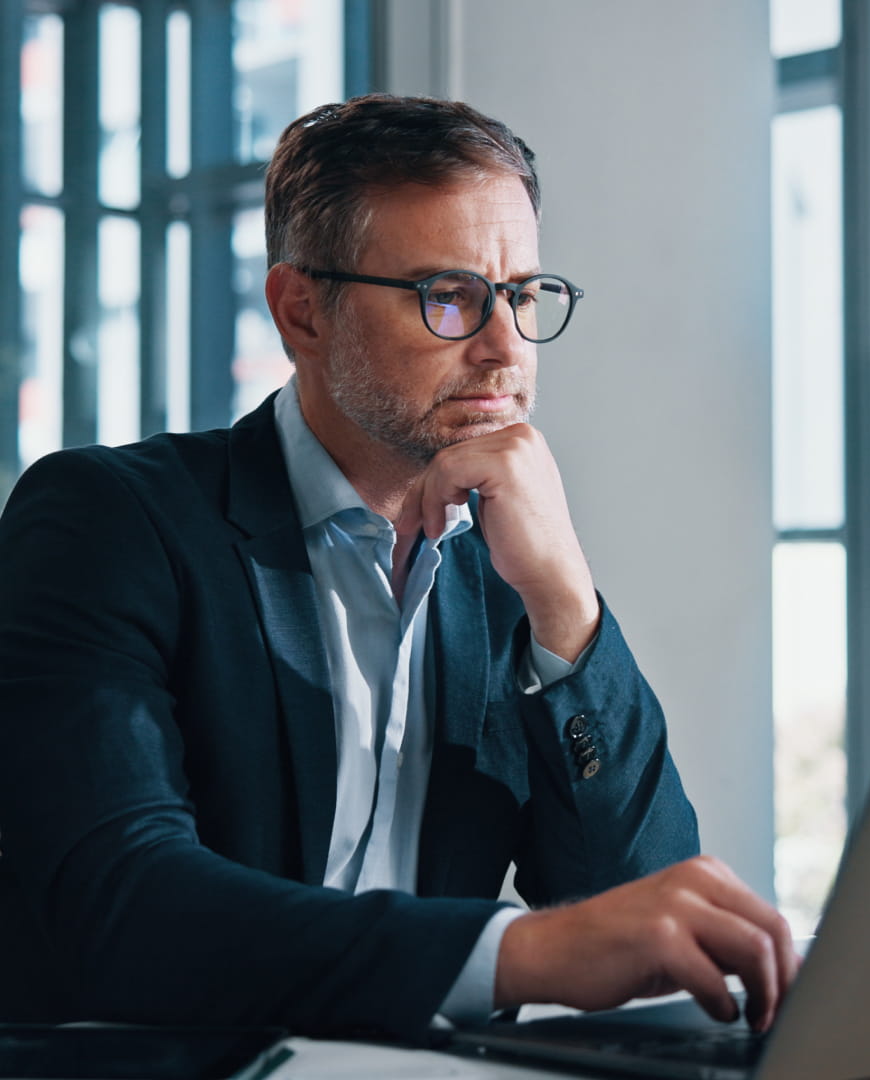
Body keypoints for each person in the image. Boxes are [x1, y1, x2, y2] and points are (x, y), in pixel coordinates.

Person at [0, 94, 796, 1042]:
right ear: (302, 312)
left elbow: (630, 912)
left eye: (523, 294)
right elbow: (122, 904)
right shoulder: (110, 521)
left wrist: (566, 607)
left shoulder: (513, 563)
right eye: (450, 296)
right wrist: (520, 953)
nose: (505, 347)